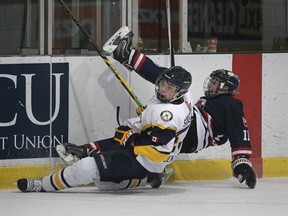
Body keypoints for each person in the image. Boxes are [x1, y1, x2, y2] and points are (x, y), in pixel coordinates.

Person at [16, 27, 193, 192]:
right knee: (105, 181)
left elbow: (157, 147)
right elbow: (156, 73)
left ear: (179, 91)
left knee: (88, 168)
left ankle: (42, 185)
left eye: (169, 88)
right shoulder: (184, 95)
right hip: (151, 150)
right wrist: (129, 56)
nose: (162, 89)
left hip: (147, 160)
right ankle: (96, 153)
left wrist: (132, 140)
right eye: (163, 84)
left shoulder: (167, 116)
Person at [101, 26, 257, 189]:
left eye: (216, 83)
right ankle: (151, 171)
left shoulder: (230, 104)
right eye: (212, 80)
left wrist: (242, 162)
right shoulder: (213, 101)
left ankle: (127, 54)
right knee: (134, 131)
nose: (210, 84)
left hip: (193, 132)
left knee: (169, 78)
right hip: (190, 131)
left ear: (226, 88)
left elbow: (240, 131)